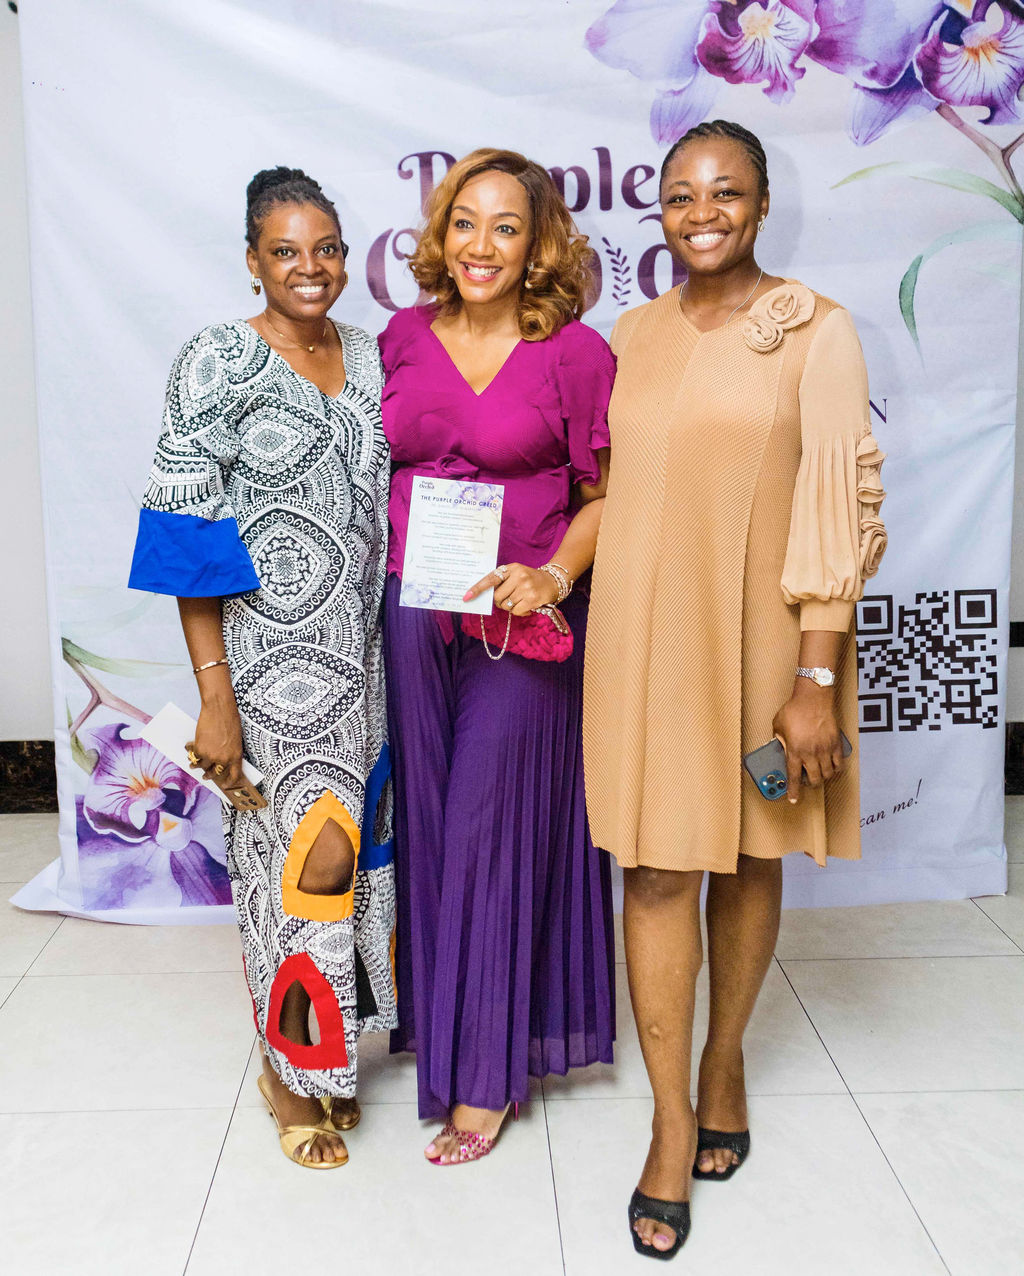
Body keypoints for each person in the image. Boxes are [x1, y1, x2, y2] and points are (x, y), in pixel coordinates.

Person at [583, 120, 887, 1257]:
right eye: (680, 194)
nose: (701, 212)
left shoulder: (817, 328)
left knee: (753, 851)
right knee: (657, 865)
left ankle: (725, 1059)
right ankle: (672, 1121)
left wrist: (815, 679)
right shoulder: (630, 333)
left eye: (726, 192)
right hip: (643, 641)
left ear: (761, 206)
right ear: (658, 210)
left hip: (770, 648)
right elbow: (609, 491)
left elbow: (841, 506)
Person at [128, 167, 395, 1169]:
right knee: (296, 864)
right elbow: (185, 538)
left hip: (366, 660)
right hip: (267, 667)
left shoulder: (371, 357)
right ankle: (288, 1073)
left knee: (351, 865)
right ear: (253, 260)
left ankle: (330, 1056)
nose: (308, 267)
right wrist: (214, 697)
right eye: (285, 251)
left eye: (325, 248)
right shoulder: (219, 361)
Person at [379, 148, 617, 1164]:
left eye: (507, 227)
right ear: (442, 233)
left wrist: (554, 576)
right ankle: (449, 1030)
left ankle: (482, 1080)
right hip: (414, 609)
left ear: (538, 245)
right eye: (465, 222)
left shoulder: (576, 353)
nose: (482, 245)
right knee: (434, 826)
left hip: (523, 619)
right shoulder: (400, 337)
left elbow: (608, 496)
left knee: (486, 821)